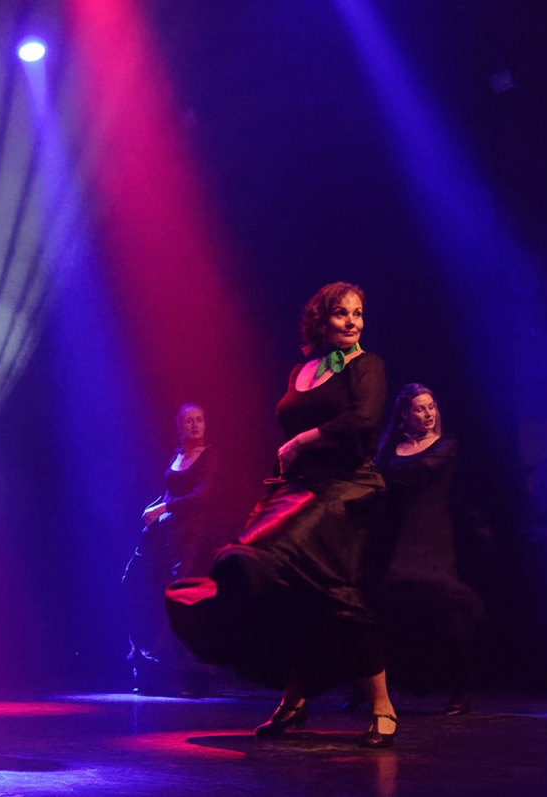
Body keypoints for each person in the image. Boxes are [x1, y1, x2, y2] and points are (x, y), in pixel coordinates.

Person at [166, 282, 399, 747]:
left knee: (326, 585)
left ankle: (381, 704)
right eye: (342, 313)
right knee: (273, 581)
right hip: (296, 489)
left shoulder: (366, 365)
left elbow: (364, 421)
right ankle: (295, 695)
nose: (352, 322)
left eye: (358, 313)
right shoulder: (302, 369)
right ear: (321, 320)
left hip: (346, 487)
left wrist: (301, 441)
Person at [372, 383, 487, 715]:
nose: (428, 414)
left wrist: (389, 471)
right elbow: (378, 480)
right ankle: (373, 688)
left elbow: (419, 470)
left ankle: (460, 688)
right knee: (386, 611)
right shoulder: (390, 448)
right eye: (420, 409)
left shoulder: (445, 446)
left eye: (431, 407)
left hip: (432, 536)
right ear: (405, 414)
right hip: (397, 536)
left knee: (444, 610)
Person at [123, 403, 220, 693]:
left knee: (179, 598)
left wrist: (164, 507)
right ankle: (146, 660)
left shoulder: (210, 455)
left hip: (190, 535)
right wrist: (155, 506)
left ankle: (190, 672)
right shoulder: (176, 456)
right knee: (133, 581)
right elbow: (169, 493)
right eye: (189, 421)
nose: (195, 425)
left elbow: (203, 497)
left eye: (199, 419)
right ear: (180, 427)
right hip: (163, 532)